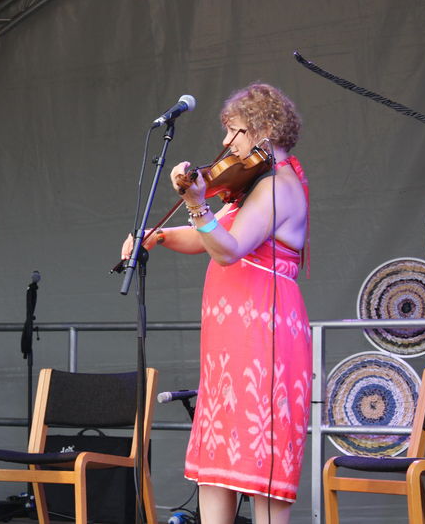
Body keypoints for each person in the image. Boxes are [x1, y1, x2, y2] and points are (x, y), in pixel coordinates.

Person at [122, 83, 311, 524]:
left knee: (262, 464)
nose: (226, 141)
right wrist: (159, 235)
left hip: (265, 338)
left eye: (235, 130)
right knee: (218, 462)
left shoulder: (280, 187)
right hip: (231, 345)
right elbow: (208, 237)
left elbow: (229, 248)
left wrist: (196, 204)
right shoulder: (252, 187)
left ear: (263, 129)